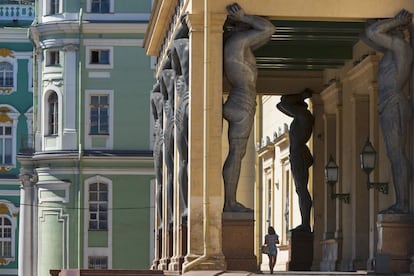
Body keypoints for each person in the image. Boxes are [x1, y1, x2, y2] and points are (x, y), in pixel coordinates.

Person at [222, 3, 275, 212]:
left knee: (236, 154)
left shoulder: (237, 45)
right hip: (243, 103)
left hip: (239, 101)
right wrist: (245, 17)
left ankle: (230, 201)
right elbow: (269, 29)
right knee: (236, 154)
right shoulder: (238, 41)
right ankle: (230, 202)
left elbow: (265, 32)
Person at [363, 9, 413, 214]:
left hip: (394, 103)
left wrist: (393, 21)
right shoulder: (392, 51)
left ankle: (403, 203)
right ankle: (401, 201)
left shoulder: (401, 47)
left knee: (397, 155)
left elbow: (374, 32)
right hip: (389, 105)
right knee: (395, 155)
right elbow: (366, 34)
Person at [277, 89, 314, 232]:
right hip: (298, 153)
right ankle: (305, 223)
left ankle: (305, 224)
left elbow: (283, 103)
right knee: (301, 189)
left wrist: (301, 96)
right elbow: (281, 105)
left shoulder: (303, 115)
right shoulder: (302, 116)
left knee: (302, 189)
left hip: (298, 154)